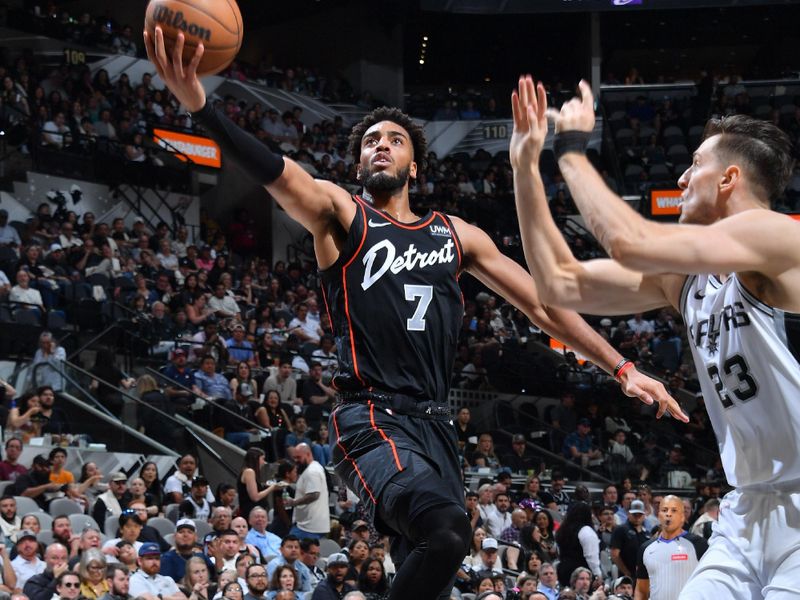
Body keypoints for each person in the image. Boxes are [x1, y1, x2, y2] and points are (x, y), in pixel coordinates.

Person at [144, 31, 673, 600]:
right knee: (448, 532)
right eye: (371, 140)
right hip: (371, 420)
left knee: (435, 573)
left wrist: (623, 369)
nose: (381, 146)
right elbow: (275, 170)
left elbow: (546, 306)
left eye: (395, 140)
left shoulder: (455, 235)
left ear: (414, 166)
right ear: (357, 162)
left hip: (437, 428)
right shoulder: (338, 214)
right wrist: (201, 105)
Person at [512, 76, 800, 599]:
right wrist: (524, 168)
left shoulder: (778, 235)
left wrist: (573, 150)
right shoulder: (688, 278)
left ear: (730, 177)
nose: (685, 176)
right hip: (745, 510)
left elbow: (630, 240)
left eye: (696, 164)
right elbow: (559, 283)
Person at [635, 496, 708, 600]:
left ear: (682, 516)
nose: (668, 514)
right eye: (664, 510)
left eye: (674, 510)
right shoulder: (645, 549)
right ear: (658, 515)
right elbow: (641, 591)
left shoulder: (699, 544)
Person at [554, 502, 602, 589]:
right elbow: (591, 555)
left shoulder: (562, 530)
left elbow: (557, 551)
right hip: (581, 573)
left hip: (563, 570)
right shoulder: (586, 531)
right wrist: (597, 574)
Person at [287, 444, 329, 540]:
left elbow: (314, 494)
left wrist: (294, 502)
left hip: (308, 527)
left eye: (298, 457)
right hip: (311, 524)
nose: (296, 460)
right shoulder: (315, 467)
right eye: (294, 457)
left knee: (289, 546)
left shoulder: (312, 472)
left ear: (308, 454)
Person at [609, 500, 649, 583]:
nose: (637, 517)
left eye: (640, 514)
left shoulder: (646, 533)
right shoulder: (621, 530)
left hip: (643, 576)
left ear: (644, 515)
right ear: (628, 514)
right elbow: (614, 554)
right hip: (627, 576)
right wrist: (626, 572)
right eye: (635, 514)